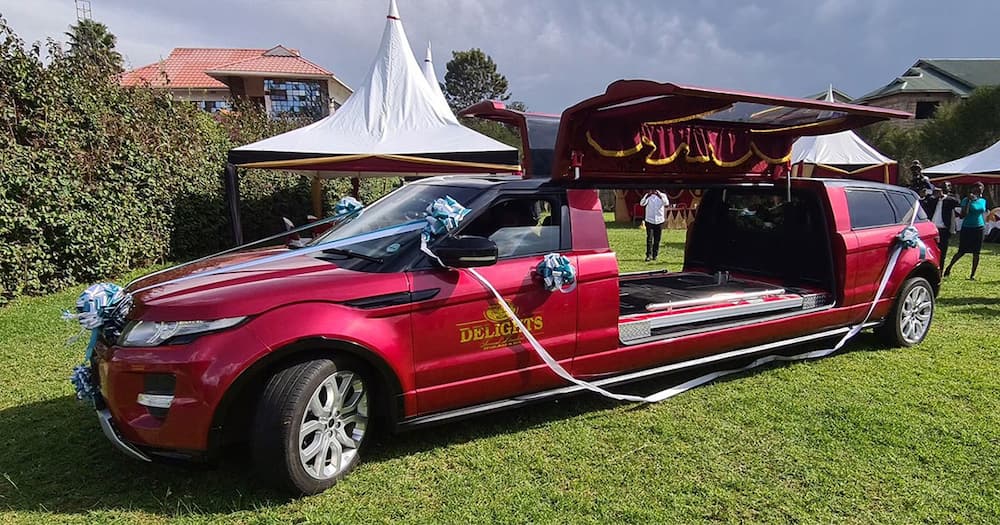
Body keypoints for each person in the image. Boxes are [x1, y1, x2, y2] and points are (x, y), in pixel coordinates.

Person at [944, 182, 988, 280]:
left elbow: (982, 212)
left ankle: (972, 275)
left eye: (981, 189)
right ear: (972, 190)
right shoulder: (965, 200)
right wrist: (969, 201)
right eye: (977, 189)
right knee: (962, 251)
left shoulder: (983, 201)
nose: (979, 191)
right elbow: (963, 215)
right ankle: (949, 267)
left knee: (976, 253)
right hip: (967, 228)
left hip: (979, 228)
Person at [923, 183, 961, 267]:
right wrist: (925, 195)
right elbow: (924, 204)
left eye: (946, 186)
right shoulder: (933, 199)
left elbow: (957, 202)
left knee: (942, 252)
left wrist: (943, 196)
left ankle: (940, 270)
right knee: (929, 250)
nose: (942, 188)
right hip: (932, 228)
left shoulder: (951, 198)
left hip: (944, 230)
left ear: (949, 188)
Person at [640, 189, 668, 262]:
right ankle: (648, 255)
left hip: (659, 220)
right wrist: (647, 196)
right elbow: (642, 204)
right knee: (649, 238)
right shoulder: (648, 196)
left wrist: (660, 196)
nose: (654, 191)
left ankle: (655, 255)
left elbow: (666, 203)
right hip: (649, 220)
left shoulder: (662, 195)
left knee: (657, 239)